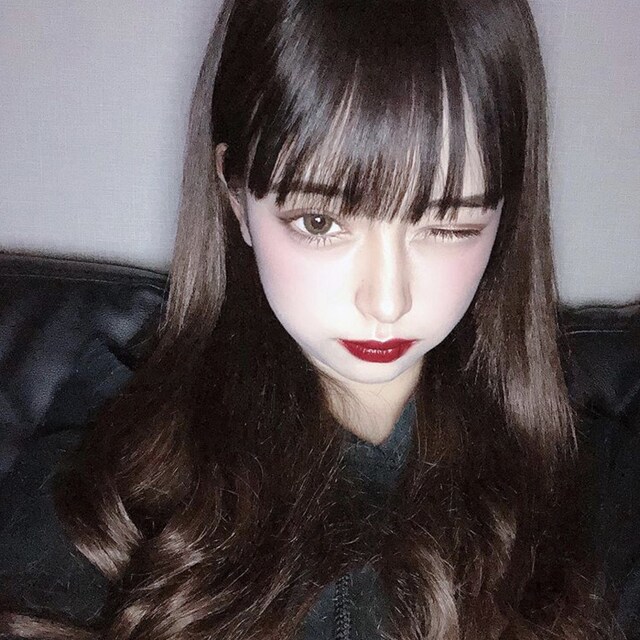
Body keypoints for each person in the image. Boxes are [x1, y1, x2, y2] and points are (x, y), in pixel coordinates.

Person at [0, 0, 630, 638]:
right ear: (237, 197)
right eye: (321, 222)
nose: (386, 301)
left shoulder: (598, 495)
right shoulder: (101, 480)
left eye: (447, 225)